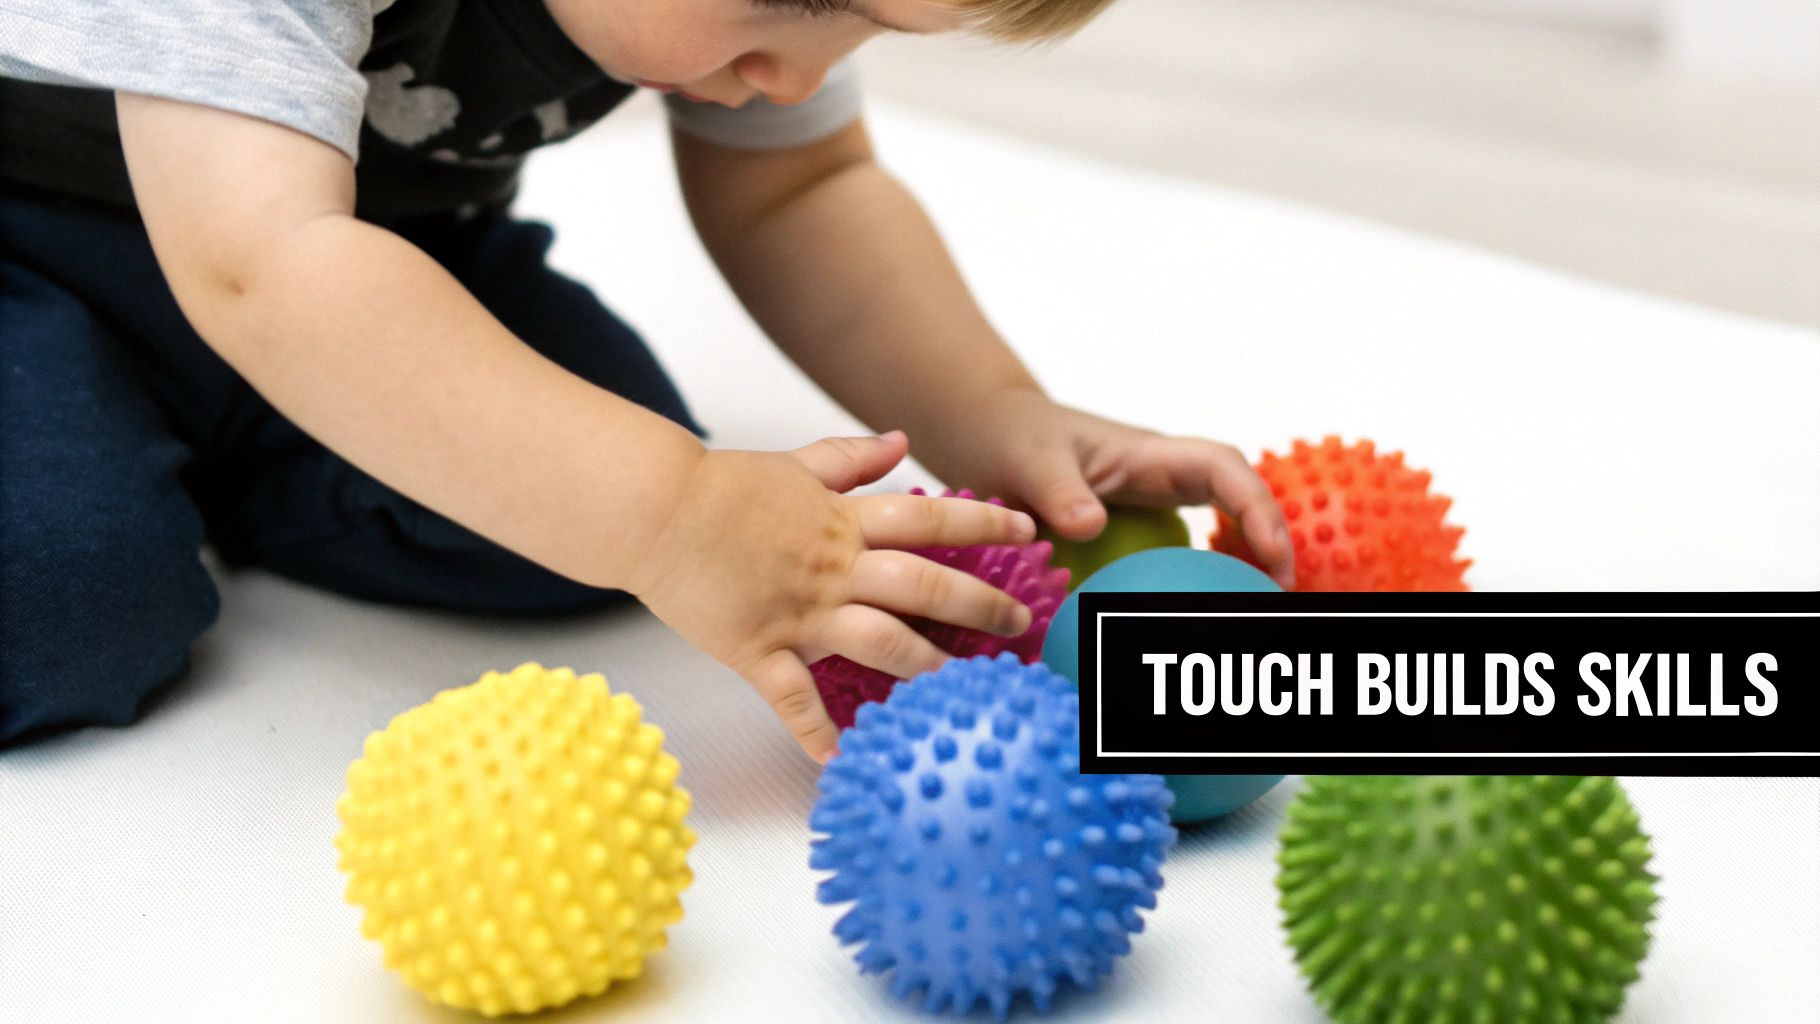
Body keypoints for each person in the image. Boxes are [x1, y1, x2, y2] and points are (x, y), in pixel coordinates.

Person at [0, 0, 1293, 756]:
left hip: (365, 254)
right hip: (46, 250)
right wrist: (674, 514)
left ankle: (219, 444)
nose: (795, 70)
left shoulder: (747, 34)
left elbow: (800, 187)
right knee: (75, 602)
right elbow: (257, 267)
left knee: (574, 540)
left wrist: (996, 415)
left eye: (866, 24)